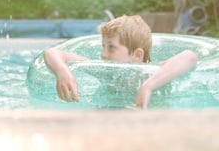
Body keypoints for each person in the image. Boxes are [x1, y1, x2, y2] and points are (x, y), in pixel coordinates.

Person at [43, 14, 198, 109]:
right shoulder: (105, 73)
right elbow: (52, 53)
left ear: (137, 55)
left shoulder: (153, 73)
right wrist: (62, 71)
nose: (103, 54)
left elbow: (190, 56)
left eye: (111, 48)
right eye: (103, 46)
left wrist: (147, 87)